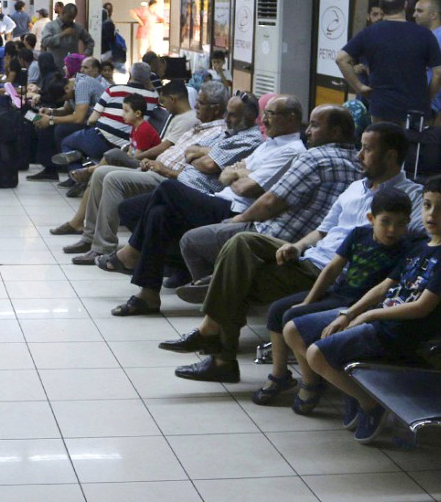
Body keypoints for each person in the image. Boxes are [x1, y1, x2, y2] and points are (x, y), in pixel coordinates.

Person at [163, 123, 423, 384]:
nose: (359, 156)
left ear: (390, 156)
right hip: (310, 256)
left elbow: (425, 236)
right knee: (242, 242)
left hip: (333, 273)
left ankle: (219, 352)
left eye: (367, 149)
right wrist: (297, 247)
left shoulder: (410, 196)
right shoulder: (355, 187)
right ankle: (214, 329)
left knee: (236, 279)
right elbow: (322, 231)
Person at [107, 95, 308, 317]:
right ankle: (148, 295)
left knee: (167, 190)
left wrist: (238, 172)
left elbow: (246, 188)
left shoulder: (292, 150)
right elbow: (225, 175)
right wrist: (237, 172)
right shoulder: (270, 144)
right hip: (219, 196)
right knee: (158, 213)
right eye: (265, 114)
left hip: (237, 212)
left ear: (291, 119)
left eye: (270, 115)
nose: (265, 120)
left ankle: (132, 253)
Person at [284, 179, 440, 444]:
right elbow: (384, 287)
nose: (432, 215)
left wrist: (367, 316)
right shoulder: (418, 247)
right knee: (293, 329)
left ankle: (369, 403)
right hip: (379, 319)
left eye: (440, 208)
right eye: (427, 205)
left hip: (398, 331)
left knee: (316, 354)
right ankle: (354, 394)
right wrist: (349, 314)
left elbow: (422, 307)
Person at [253, 188, 411, 408]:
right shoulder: (358, 234)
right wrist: (309, 300)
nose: (392, 230)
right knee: (278, 308)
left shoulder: (405, 250)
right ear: (371, 219)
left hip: (356, 305)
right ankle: (280, 374)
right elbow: (332, 269)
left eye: (401, 224)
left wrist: (345, 311)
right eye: (386, 222)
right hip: (338, 293)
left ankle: (311, 382)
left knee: (292, 317)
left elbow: (384, 289)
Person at [177, 105, 363, 291]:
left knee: (190, 240)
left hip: (273, 233)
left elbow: (271, 201)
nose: (307, 131)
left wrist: (237, 219)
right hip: (306, 239)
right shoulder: (358, 165)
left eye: (314, 125)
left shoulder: (314, 157)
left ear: (335, 132)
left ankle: (219, 293)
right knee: (161, 209)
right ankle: (221, 281)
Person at [56, 81, 229, 265]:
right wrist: (154, 162)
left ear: (216, 108)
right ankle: (89, 237)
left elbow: (196, 166)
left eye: (201, 103)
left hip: (168, 178)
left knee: (112, 178)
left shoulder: (217, 132)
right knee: (101, 174)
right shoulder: (199, 127)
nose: (196, 106)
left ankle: (103, 246)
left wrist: (162, 167)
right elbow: (175, 151)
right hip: (156, 166)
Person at [336, 0, 441, 124]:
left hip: (381, 106)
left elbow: (341, 58)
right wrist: (427, 99)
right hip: (415, 108)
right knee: (411, 143)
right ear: (405, 5)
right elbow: (438, 73)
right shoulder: (425, 35)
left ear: (383, 9)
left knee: (381, 143)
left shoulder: (369, 33)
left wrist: (360, 87)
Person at [29, 57, 114, 181]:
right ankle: (51, 168)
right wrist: (50, 112)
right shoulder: (71, 86)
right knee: (45, 128)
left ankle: (74, 171)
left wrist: (51, 120)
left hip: (99, 125)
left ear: (66, 90)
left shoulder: (82, 85)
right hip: (89, 121)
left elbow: (78, 118)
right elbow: (67, 110)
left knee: (61, 130)